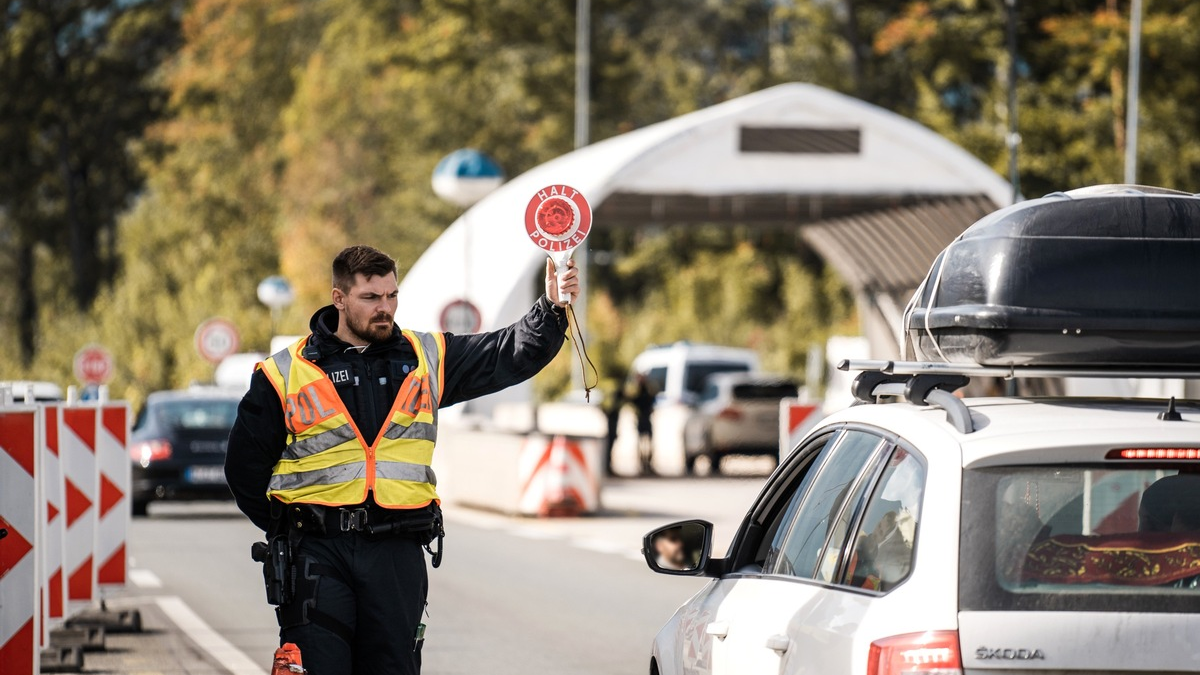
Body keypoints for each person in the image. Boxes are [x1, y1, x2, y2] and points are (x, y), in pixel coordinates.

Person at [225, 245, 579, 675]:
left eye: (391, 296)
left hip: (396, 552)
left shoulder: (425, 357)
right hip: (317, 553)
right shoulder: (283, 373)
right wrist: (288, 532)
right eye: (371, 298)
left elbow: (507, 352)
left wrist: (552, 307)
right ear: (339, 299)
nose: (385, 308)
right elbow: (243, 469)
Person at [630, 374, 656, 475]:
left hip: (644, 419)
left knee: (647, 443)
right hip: (642, 419)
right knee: (643, 443)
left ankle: (647, 463)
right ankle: (643, 464)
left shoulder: (646, 390)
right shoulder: (640, 390)